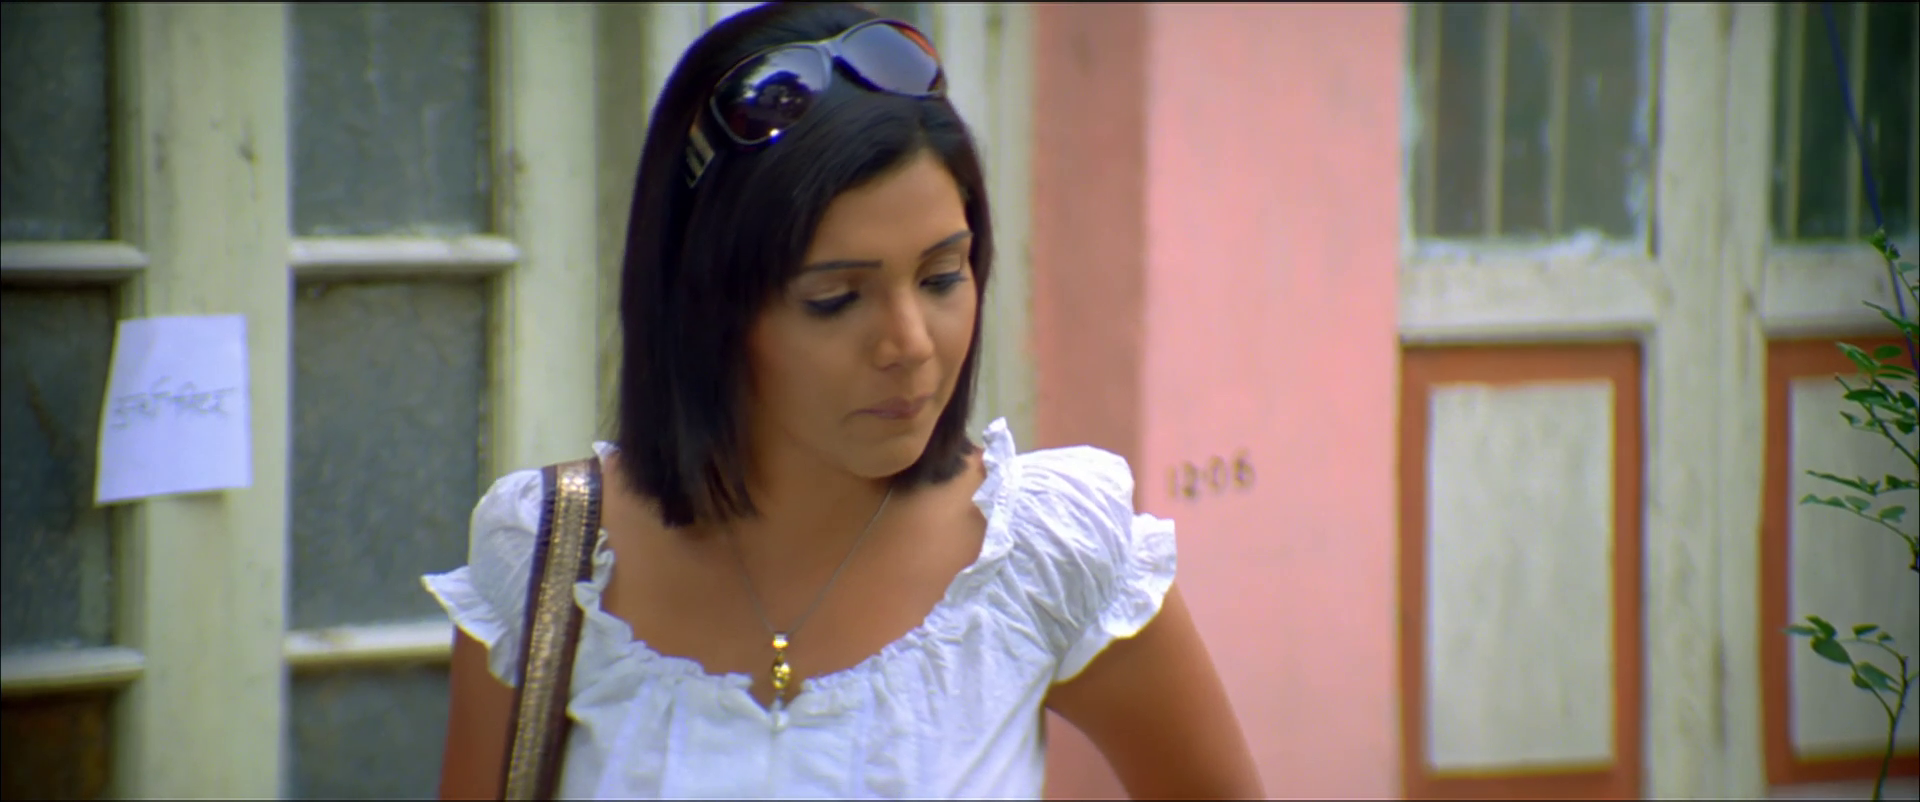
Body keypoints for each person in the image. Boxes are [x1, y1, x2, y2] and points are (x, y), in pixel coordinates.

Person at [423, 2, 1262, 797]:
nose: (910, 343)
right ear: (707, 308)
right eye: (835, 298)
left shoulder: (1044, 553)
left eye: (942, 276)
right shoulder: (548, 557)